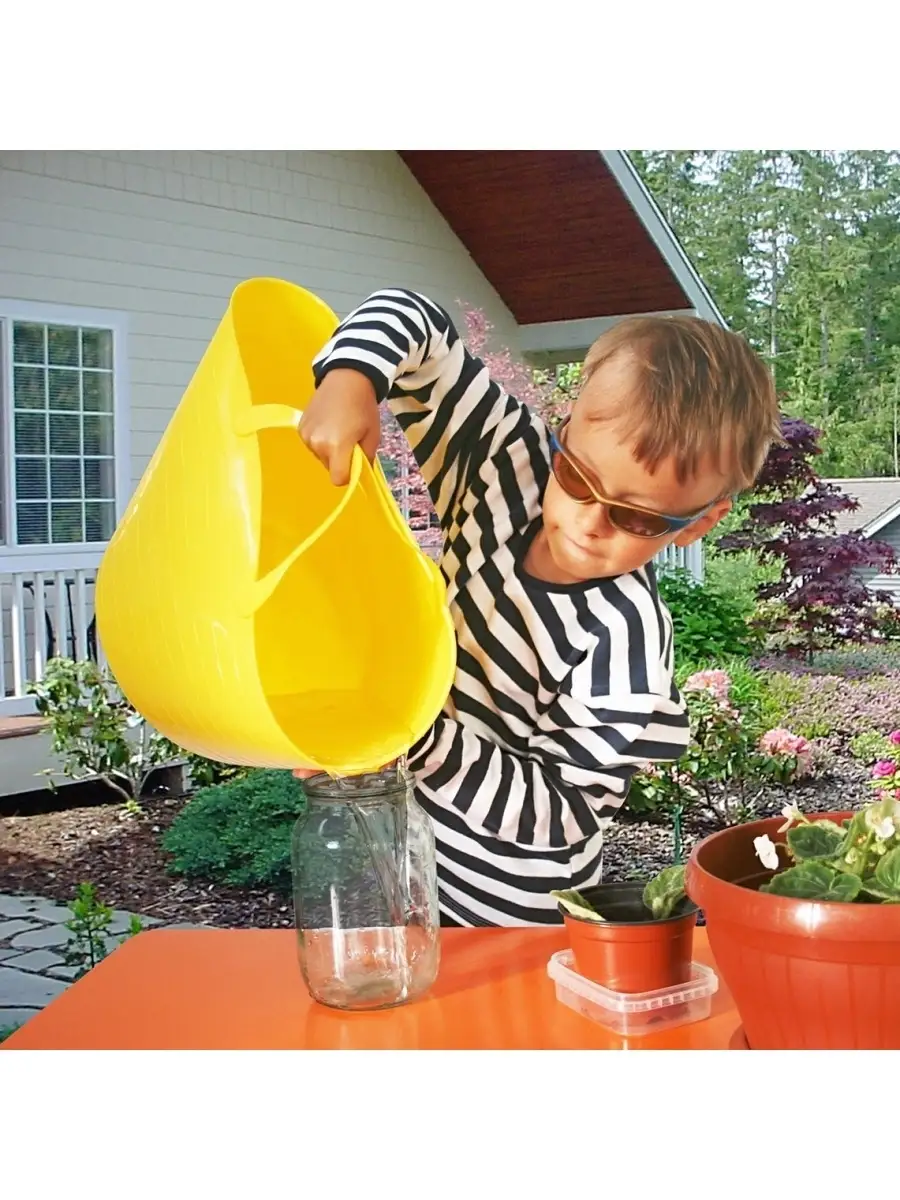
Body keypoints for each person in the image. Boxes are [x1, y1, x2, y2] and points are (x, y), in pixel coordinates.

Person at [294, 288, 780, 927]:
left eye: (636, 515)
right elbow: (413, 318)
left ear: (695, 525)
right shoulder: (506, 464)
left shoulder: (623, 636)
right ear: (565, 425)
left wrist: (407, 733)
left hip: (515, 914)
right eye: (577, 476)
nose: (589, 521)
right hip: (407, 860)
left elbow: (565, 813)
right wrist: (352, 376)